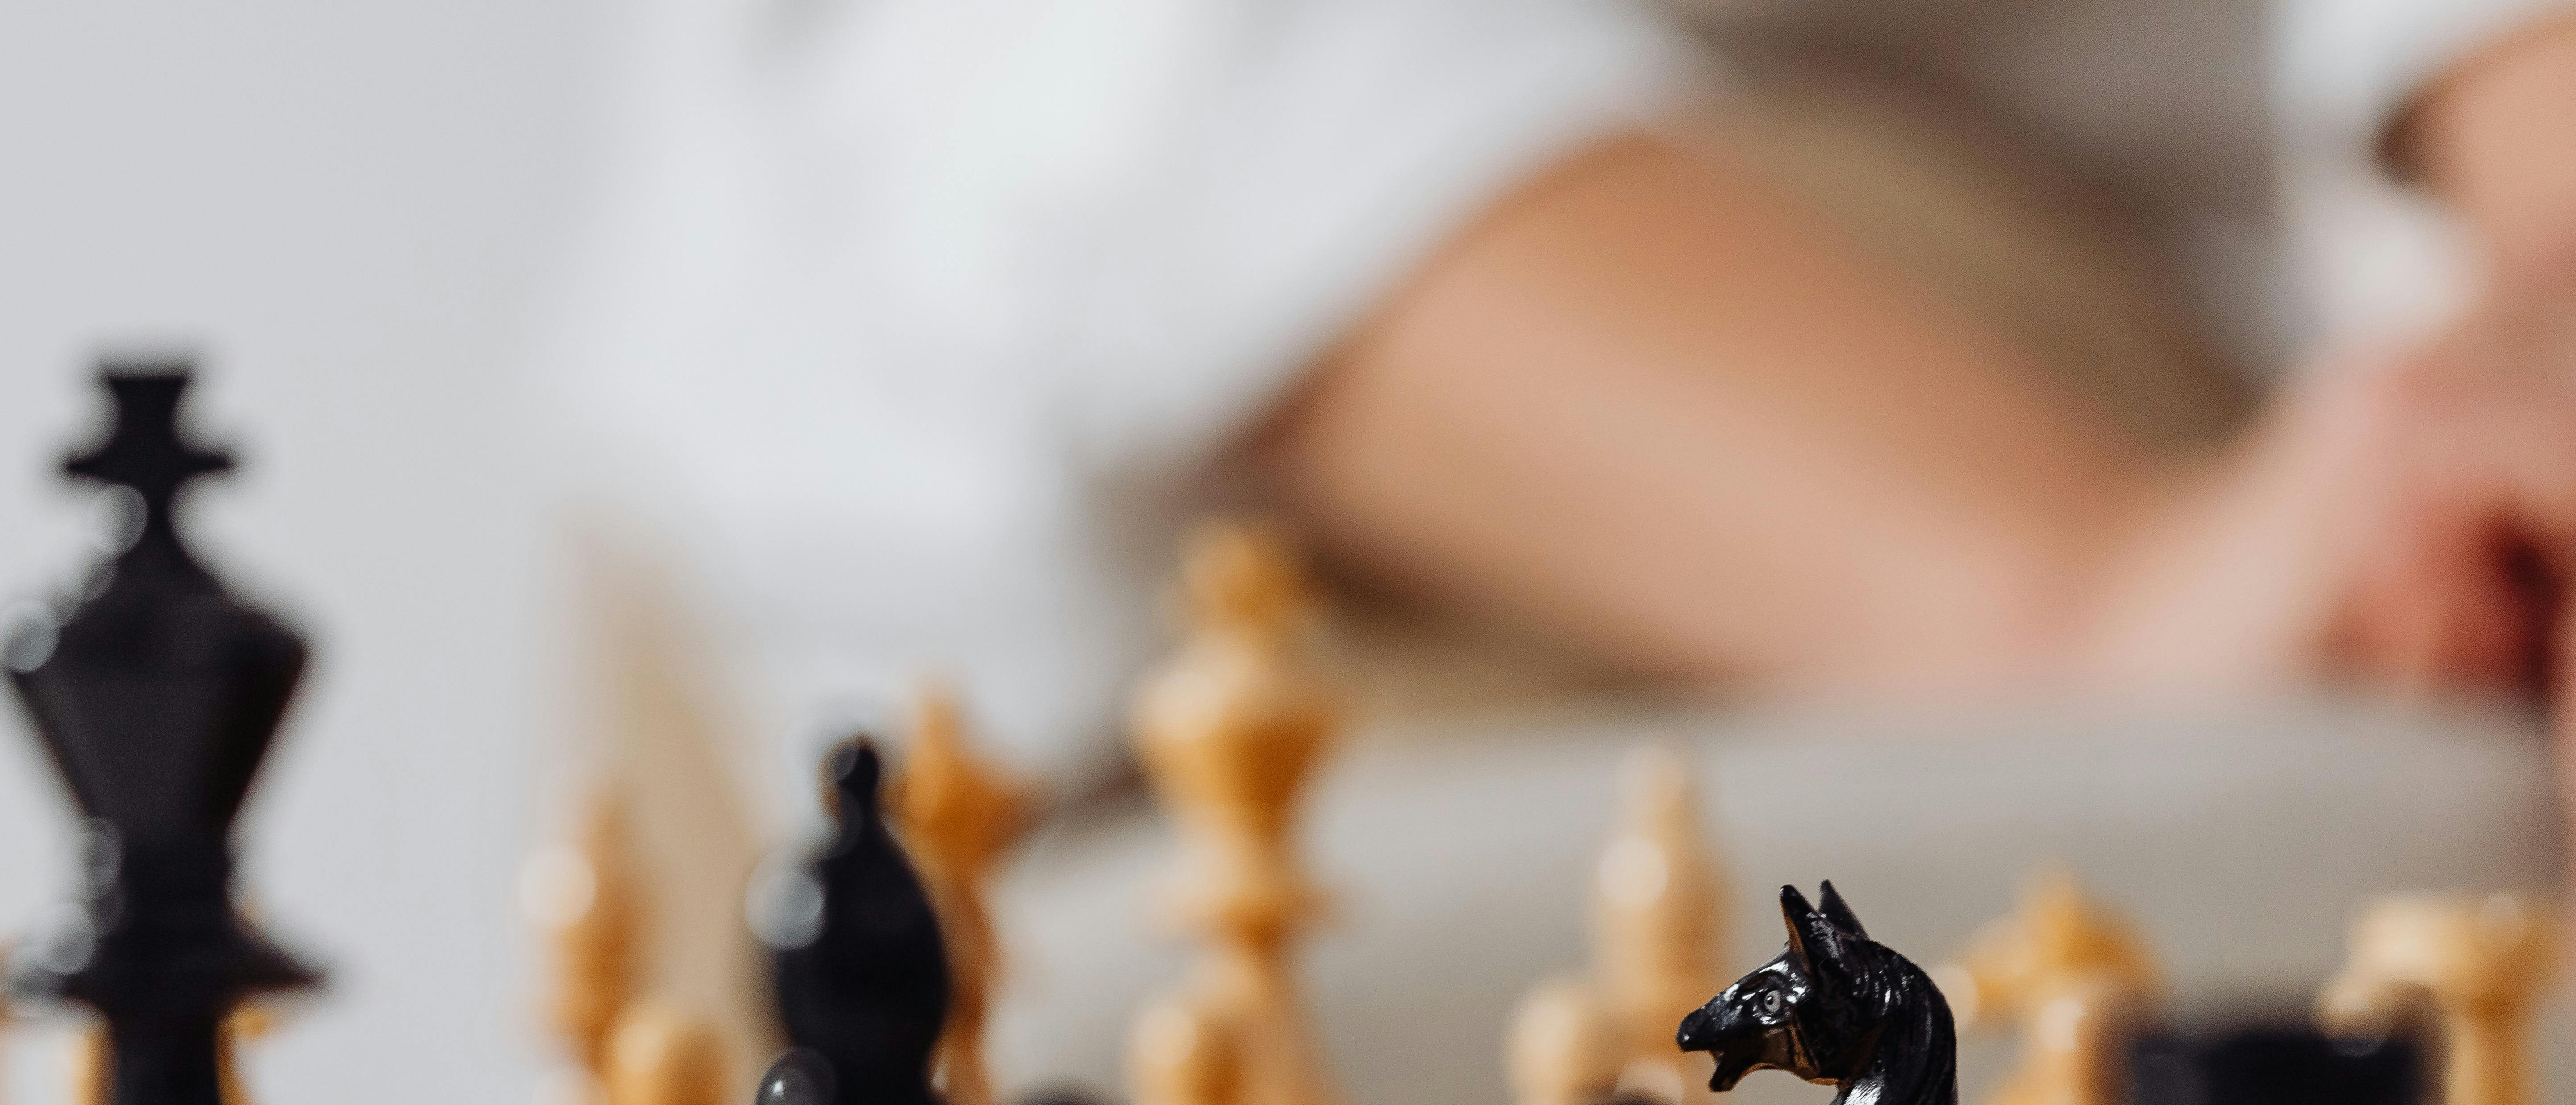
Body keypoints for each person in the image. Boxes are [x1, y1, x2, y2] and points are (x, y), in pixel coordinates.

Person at [534, 1, 2576, 817]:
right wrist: (2093, 609)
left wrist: (2541, 279)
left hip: (2242, 376)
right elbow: (1099, 89)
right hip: (1140, 561)